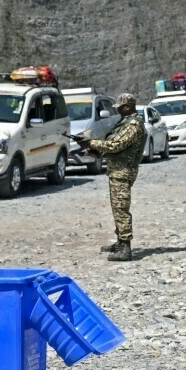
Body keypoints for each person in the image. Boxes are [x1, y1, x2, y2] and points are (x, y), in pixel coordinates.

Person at [78, 93, 145, 262]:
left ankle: (125, 247)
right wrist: (95, 152)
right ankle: (120, 241)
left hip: (123, 171)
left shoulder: (133, 125)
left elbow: (116, 145)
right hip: (117, 170)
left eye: (120, 108)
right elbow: (115, 146)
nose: (118, 111)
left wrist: (91, 142)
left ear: (127, 107)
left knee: (121, 208)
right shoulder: (124, 123)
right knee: (117, 207)